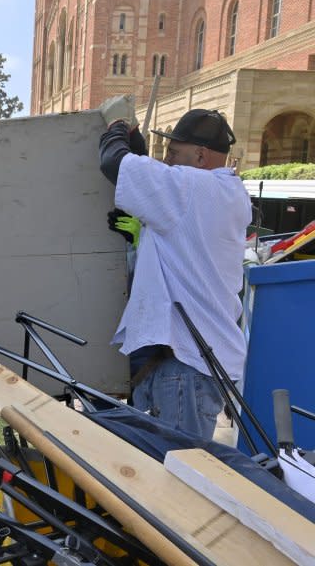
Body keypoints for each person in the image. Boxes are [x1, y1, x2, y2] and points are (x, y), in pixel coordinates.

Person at [98, 96, 251, 440]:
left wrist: (116, 127)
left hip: (186, 367)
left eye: (174, 152)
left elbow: (114, 164)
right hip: (180, 362)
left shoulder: (193, 188)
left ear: (200, 156)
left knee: (178, 478)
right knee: (160, 479)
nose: (166, 160)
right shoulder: (221, 190)